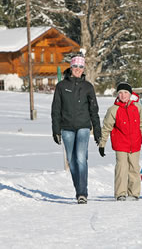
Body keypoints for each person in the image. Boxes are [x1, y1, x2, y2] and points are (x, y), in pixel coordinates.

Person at [51, 55, 101, 204]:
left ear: (83, 69)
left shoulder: (88, 87)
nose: (78, 70)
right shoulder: (61, 86)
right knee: (71, 161)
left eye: (80, 67)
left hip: (84, 127)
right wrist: (56, 130)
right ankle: (78, 188)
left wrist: (97, 131)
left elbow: (94, 110)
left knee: (80, 158)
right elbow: (56, 109)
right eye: (75, 67)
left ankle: (82, 192)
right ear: (71, 68)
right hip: (66, 128)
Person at [98, 82, 142, 201]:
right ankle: (120, 193)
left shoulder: (137, 107)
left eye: (125, 93)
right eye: (120, 93)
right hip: (120, 143)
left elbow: (141, 123)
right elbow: (106, 127)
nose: (123, 95)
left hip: (135, 142)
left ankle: (134, 193)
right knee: (122, 168)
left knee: (134, 168)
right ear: (117, 95)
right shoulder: (113, 110)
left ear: (130, 94)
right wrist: (102, 144)